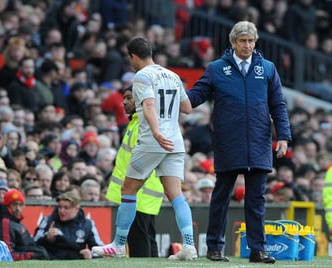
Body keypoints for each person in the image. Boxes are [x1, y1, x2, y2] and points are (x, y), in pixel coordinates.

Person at [186, 21, 291, 264]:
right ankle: (214, 248)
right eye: (242, 40)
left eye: (251, 41)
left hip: (259, 141)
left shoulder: (267, 68)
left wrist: (283, 136)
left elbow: (278, 105)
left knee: (256, 200)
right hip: (228, 142)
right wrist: (176, 96)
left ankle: (258, 250)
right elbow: (196, 96)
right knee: (221, 196)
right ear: (233, 42)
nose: (247, 45)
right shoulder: (215, 69)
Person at [92, 37, 197, 260]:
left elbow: (148, 105)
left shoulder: (141, 76)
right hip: (175, 142)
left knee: (128, 191)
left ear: (133, 56)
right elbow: (187, 108)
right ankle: (189, 245)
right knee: (176, 196)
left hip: (153, 141)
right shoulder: (173, 75)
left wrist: (157, 131)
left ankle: (119, 245)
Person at [103, 86, 164, 257]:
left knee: (139, 242)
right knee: (146, 239)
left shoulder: (143, 124)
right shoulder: (137, 122)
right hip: (141, 192)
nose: (124, 102)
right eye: (124, 98)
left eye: (129, 98)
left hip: (138, 192)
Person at [34, 191, 103, 259]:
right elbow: (33, 244)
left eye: (66, 208)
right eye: (60, 207)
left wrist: (91, 254)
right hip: (51, 261)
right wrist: (47, 238)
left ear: (76, 209)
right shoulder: (47, 220)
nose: (61, 211)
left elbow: (99, 249)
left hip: (77, 262)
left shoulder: (88, 224)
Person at [0, 189, 50, 260]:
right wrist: (33, 255)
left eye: (20, 204)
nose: (18, 208)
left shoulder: (15, 221)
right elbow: (6, 253)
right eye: (14, 204)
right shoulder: (5, 223)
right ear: (7, 206)